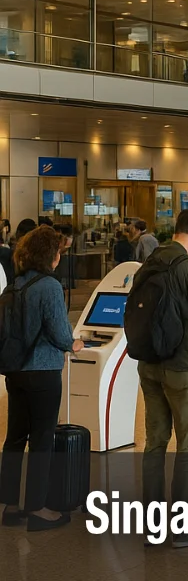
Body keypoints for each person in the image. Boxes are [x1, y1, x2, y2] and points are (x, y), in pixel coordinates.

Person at [134, 209, 188, 547]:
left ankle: (152, 525)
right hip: (184, 369)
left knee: (154, 443)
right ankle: (183, 528)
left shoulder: (149, 263)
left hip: (149, 365)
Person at [0, 226, 82, 531]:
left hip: (15, 371)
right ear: (52, 255)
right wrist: (75, 343)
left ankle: (8, 505)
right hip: (43, 371)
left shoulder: (15, 285)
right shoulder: (48, 286)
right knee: (42, 440)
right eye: (59, 251)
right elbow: (61, 333)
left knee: (14, 439)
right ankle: (37, 508)